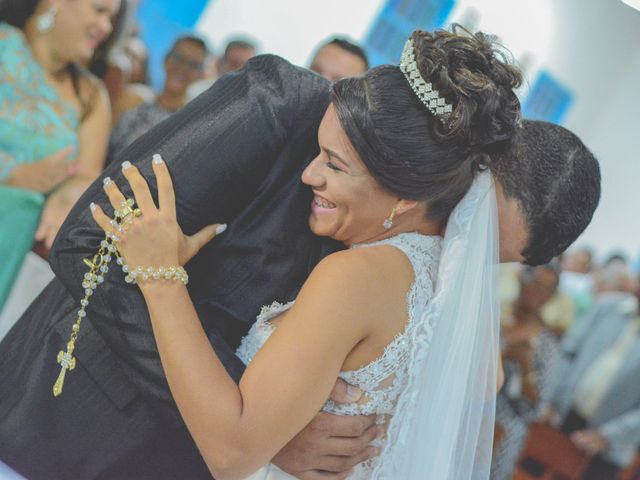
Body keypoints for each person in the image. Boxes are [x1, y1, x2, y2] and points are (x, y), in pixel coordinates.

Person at [0, 29, 600, 480]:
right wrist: (270, 432)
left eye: (486, 252)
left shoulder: (421, 282)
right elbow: (85, 242)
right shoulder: (277, 103)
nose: (457, 244)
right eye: (472, 220)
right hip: (70, 427)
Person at [0, 0, 118, 313]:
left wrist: (70, 193)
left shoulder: (91, 96)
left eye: (112, 18)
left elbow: (86, 175)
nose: (106, 27)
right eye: (99, 10)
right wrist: (15, 176)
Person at [545, 272, 640, 479]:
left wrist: (608, 435)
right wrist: (552, 400)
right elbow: (569, 353)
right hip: (563, 418)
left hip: (607, 444)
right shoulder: (608, 307)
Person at [491, 264, 561, 479]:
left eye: (547, 288)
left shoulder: (546, 344)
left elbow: (536, 409)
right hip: (467, 412)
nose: (539, 292)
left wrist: (525, 367)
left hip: (505, 427)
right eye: (536, 283)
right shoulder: (495, 314)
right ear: (522, 279)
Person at [107, 35, 209, 162]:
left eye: (192, 65)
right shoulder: (132, 99)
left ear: (200, 74)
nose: (182, 68)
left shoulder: (191, 124)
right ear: (166, 59)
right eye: (178, 58)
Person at [187, 37, 256, 100]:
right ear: (220, 64)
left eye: (247, 67)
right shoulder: (196, 92)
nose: (241, 71)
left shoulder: (256, 104)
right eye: (234, 64)